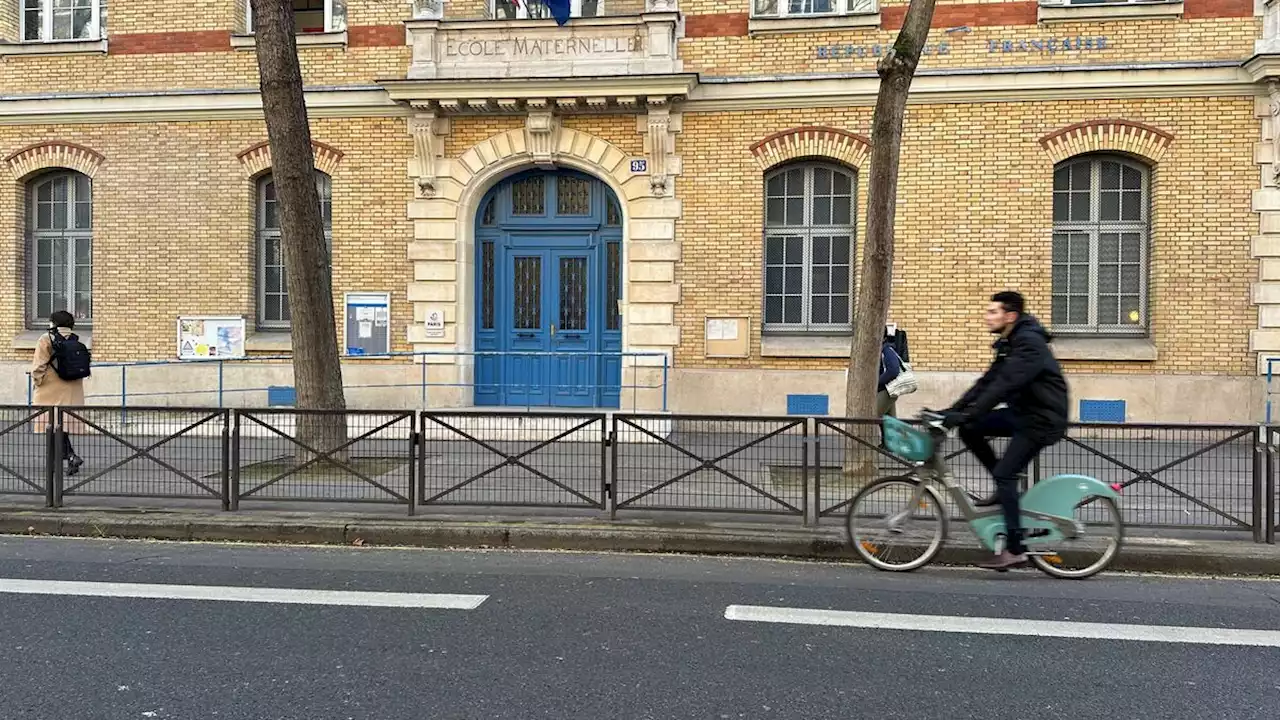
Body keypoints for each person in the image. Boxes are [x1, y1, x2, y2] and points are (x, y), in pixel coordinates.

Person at [939, 291, 1069, 570]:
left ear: (1010, 316)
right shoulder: (1010, 342)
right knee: (970, 429)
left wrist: (969, 412)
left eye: (992, 312)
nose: (987, 317)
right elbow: (987, 382)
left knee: (1004, 473)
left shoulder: (1029, 343)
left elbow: (1006, 384)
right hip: (1023, 414)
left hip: (1042, 420)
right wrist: (953, 411)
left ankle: (1015, 549)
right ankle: (1004, 488)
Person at [31, 310, 87, 476]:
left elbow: (38, 366)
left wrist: (37, 382)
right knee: (60, 426)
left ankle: (67, 458)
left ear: (53, 323)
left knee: (52, 427)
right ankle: (68, 457)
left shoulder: (46, 338)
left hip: (50, 389)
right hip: (72, 389)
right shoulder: (76, 340)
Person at [877, 334, 903, 418]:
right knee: (889, 423)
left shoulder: (886, 350)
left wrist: (877, 382)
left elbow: (893, 370)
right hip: (887, 390)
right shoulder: (881, 350)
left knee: (871, 417)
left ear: (884, 338)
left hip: (886, 390)